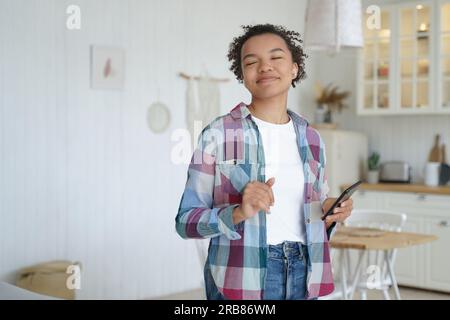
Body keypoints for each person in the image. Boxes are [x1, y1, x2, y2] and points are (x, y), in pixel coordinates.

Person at [175, 24, 353, 300]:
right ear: (242, 75)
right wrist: (238, 212)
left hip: (306, 271)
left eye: (276, 57)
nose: (265, 67)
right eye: (251, 62)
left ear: (294, 68)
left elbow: (313, 206)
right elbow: (186, 221)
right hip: (243, 276)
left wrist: (330, 208)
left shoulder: (312, 139)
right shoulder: (219, 134)